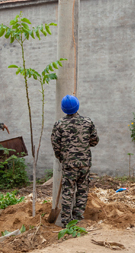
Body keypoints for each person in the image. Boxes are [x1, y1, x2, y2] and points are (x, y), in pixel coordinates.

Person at [51, 95, 99, 227]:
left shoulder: (59, 124)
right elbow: (94, 141)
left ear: (63, 109)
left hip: (69, 164)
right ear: (77, 106)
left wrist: (62, 157)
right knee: (82, 190)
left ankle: (66, 221)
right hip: (84, 163)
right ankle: (78, 218)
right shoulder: (88, 122)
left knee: (68, 191)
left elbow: (55, 145)